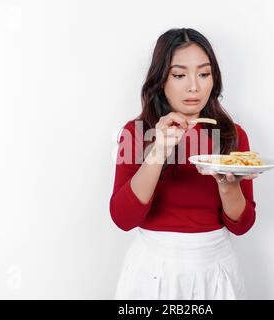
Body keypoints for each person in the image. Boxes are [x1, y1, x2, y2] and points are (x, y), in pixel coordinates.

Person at [109, 28, 259, 300]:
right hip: (152, 270)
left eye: (204, 74)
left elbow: (242, 225)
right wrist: (158, 151)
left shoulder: (232, 135)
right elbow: (123, 218)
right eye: (179, 75)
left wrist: (228, 187)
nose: (194, 86)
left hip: (215, 269)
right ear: (161, 80)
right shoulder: (136, 133)